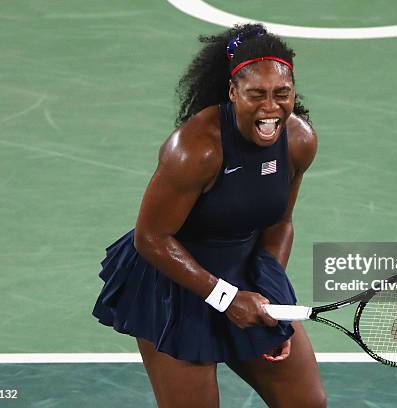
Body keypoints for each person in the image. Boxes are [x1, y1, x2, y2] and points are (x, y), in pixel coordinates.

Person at [92, 23, 326, 407]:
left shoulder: (299, 141)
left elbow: (279, 222)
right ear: (233, 92)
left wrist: (269, 290)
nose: (271, 107)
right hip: (174, 284)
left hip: (244, 272)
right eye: (257, 94)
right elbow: (150, 238)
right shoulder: (195, 149)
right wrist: (225, 297)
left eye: (282, 93)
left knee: (307, 403)